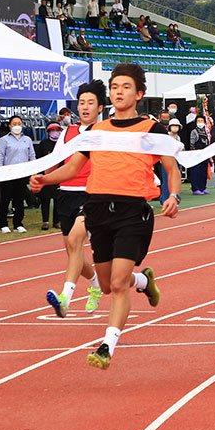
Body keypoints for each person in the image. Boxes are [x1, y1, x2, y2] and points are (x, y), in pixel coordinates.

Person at [31, 63, 180, 370]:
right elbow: (72, 169)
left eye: (126, 87)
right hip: (98, 209)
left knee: (119, 283)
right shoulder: (97, 132)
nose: (119, 92)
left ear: (139, 93)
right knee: (108, 284)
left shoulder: (152, 129)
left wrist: (173, 195)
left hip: (132, 211)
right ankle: (145, 280)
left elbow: (171, 168)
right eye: (115, 87)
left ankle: (106, 346)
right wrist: (44, 179)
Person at [42, 81, 108, 318]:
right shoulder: (68, 132)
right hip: (65, 194)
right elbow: (54, 160)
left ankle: (64, 298)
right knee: (73, 252)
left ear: (100, 107)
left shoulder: (105, 132)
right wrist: (41, 177)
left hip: (91, 194)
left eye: (90, 103)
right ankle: (97, 284)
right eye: (81, 103)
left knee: (77, 240)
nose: (85, 107)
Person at [0, 115, 35, 233]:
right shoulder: (4, 140)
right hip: (7, 174)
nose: (17, 126)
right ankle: (3, 224)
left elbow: (31, 156)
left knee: (19, 200)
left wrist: (33, 170)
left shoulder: (27, 140)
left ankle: (18, 223)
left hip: (22, 174)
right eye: (14, 123)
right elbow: (0, 156)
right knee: (5, 199)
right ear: (10, 125)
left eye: (19, 123)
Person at [36, 122, 63, 230]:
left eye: (57, 130)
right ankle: (45, 221)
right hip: (46, 176)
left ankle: (57, 221)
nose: (55, 132)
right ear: (48, 132)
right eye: (53, 130)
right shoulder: (43, 144)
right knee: (45, 199)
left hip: (59, 175)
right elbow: (39, 159)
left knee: (57, 200)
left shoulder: (62, 144)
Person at [188, 114, 211, 195]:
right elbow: (192, 143)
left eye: (201, 121)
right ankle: (195, 189)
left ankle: (202, 188)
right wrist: (194, 154)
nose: (200, 122)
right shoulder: (194, 132)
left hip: (205, 155)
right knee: (196, 172)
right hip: (196, 155)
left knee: (203, 173)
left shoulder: (206, 132)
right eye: (198, 121)